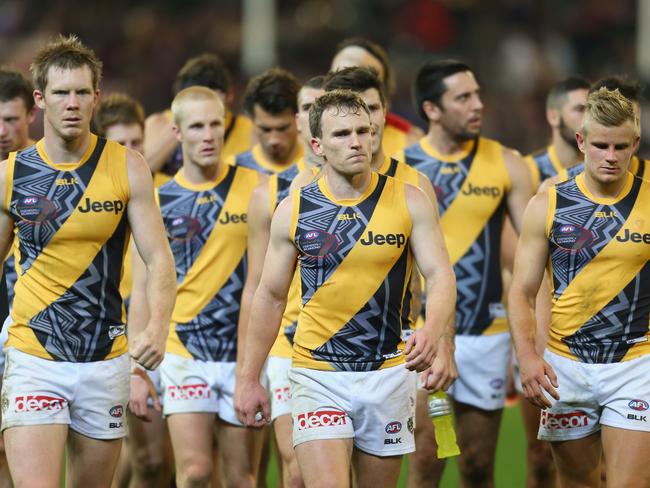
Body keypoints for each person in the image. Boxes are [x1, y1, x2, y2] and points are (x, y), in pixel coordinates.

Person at [236, 90, 457, 487]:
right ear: (317, 145)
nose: (356, 141)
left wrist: (433, 331)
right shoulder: (294, 209)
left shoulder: (410, 200)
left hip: (388, 370)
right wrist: (249, 377)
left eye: (363, 131)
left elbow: (440, 275)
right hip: (318, 372)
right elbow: (269, 296)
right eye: (341, 134)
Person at [0, 34, 176, 487]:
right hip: (34, 356)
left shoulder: (128, 166)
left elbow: (158, 260)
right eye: (61, 93)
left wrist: (157, 327)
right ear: (39, 99)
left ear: (97, 97)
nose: (72, 103)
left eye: (82, 92)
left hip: (104, 359)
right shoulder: (12, 174)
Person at [509, 87, 650, 487]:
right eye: (601, 145)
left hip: (636, 365)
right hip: (565, 366)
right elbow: (521, 290)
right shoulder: (548, 203)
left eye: (621, 146)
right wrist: (528, 357)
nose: (610, 156)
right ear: (581, 141)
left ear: (635, 143)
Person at [403, 59, 534, 487]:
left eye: (477, 94)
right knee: (425, 460)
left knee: (478, 465)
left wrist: (529, 341)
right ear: (432, 109)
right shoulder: (397, 168)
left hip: (487, 334)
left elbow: (531, 260)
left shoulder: (508, 164)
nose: (478, 104)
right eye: (463, 97)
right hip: (419, 335)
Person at [130, 86, 263, 487]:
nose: (208, 135)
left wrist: (254, 366)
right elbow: (141, 287)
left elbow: (264, 284)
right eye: (197, 126)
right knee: (195, 472)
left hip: (242, 353)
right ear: (176, 132)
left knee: (243, 478)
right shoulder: (157, 199)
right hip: (183, 350)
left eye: (215, 125)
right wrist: (137, 370)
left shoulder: (258, 189)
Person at [237, 75, 325, 488]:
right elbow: (257, 287)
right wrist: (247, 373)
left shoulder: (389, 192)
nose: (314, 117)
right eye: (306, 109)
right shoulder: (270, 192)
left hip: (363, 351)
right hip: (290, 346)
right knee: (295, 468)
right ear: (298, 120)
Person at [94, 92, 174, 488]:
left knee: (159, 460)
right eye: (120, 144)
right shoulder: (98, 198)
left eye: (137, 142)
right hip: (116, 332)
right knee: (139, 453)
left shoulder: (162, 194)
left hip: (162, 332)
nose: (131, 152)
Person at [0, 66, 35, 488]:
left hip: (28, 325)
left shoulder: (47, 174)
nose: (2, 129)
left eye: (10, 118)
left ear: (30, 114)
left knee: (14, 443)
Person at [145, 53, 253, 187]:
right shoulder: (159, 123)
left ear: (229, 95)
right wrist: (182, 120)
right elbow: (138, 172)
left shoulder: (249, 130)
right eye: (195, 98)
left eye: (210, 98)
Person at [331, 37, 424, 157]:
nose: (350, 89)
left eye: (365, 82)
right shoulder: (305, 137)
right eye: (339, 78)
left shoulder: (411, 145)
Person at [229, 68, 302, 174]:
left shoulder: (319, 166)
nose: (274, 140)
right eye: (265, 129)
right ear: (252, 121)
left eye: (282, 128)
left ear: (298, 119)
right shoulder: (232, 170)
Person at [526, 76, 590, 188]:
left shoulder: (605, 164)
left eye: (592, 109)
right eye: (579, 109)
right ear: (553, 117)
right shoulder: (529, 171)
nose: (589, 117)